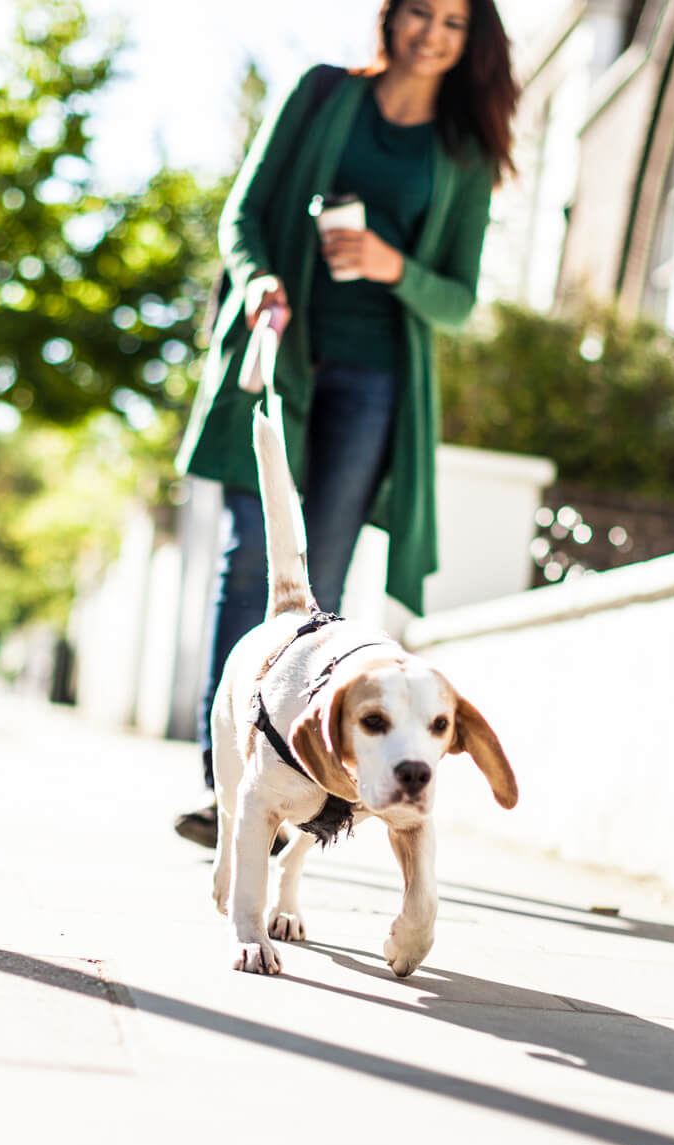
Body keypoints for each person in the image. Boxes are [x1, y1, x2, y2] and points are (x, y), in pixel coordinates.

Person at [172, 0, 518, 847]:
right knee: (249, 556)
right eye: (418, 11)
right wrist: (257, 280)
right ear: (390, 17)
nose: (431, 32)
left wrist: (390, 262)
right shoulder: (322, 95)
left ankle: (295, 783)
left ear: (470, 42)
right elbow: (242, 215)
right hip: (284, 361)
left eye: (452, 22)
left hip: (375, 383)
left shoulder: (464, 156)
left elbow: (459, 299)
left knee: (313, 584)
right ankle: (226, 784)